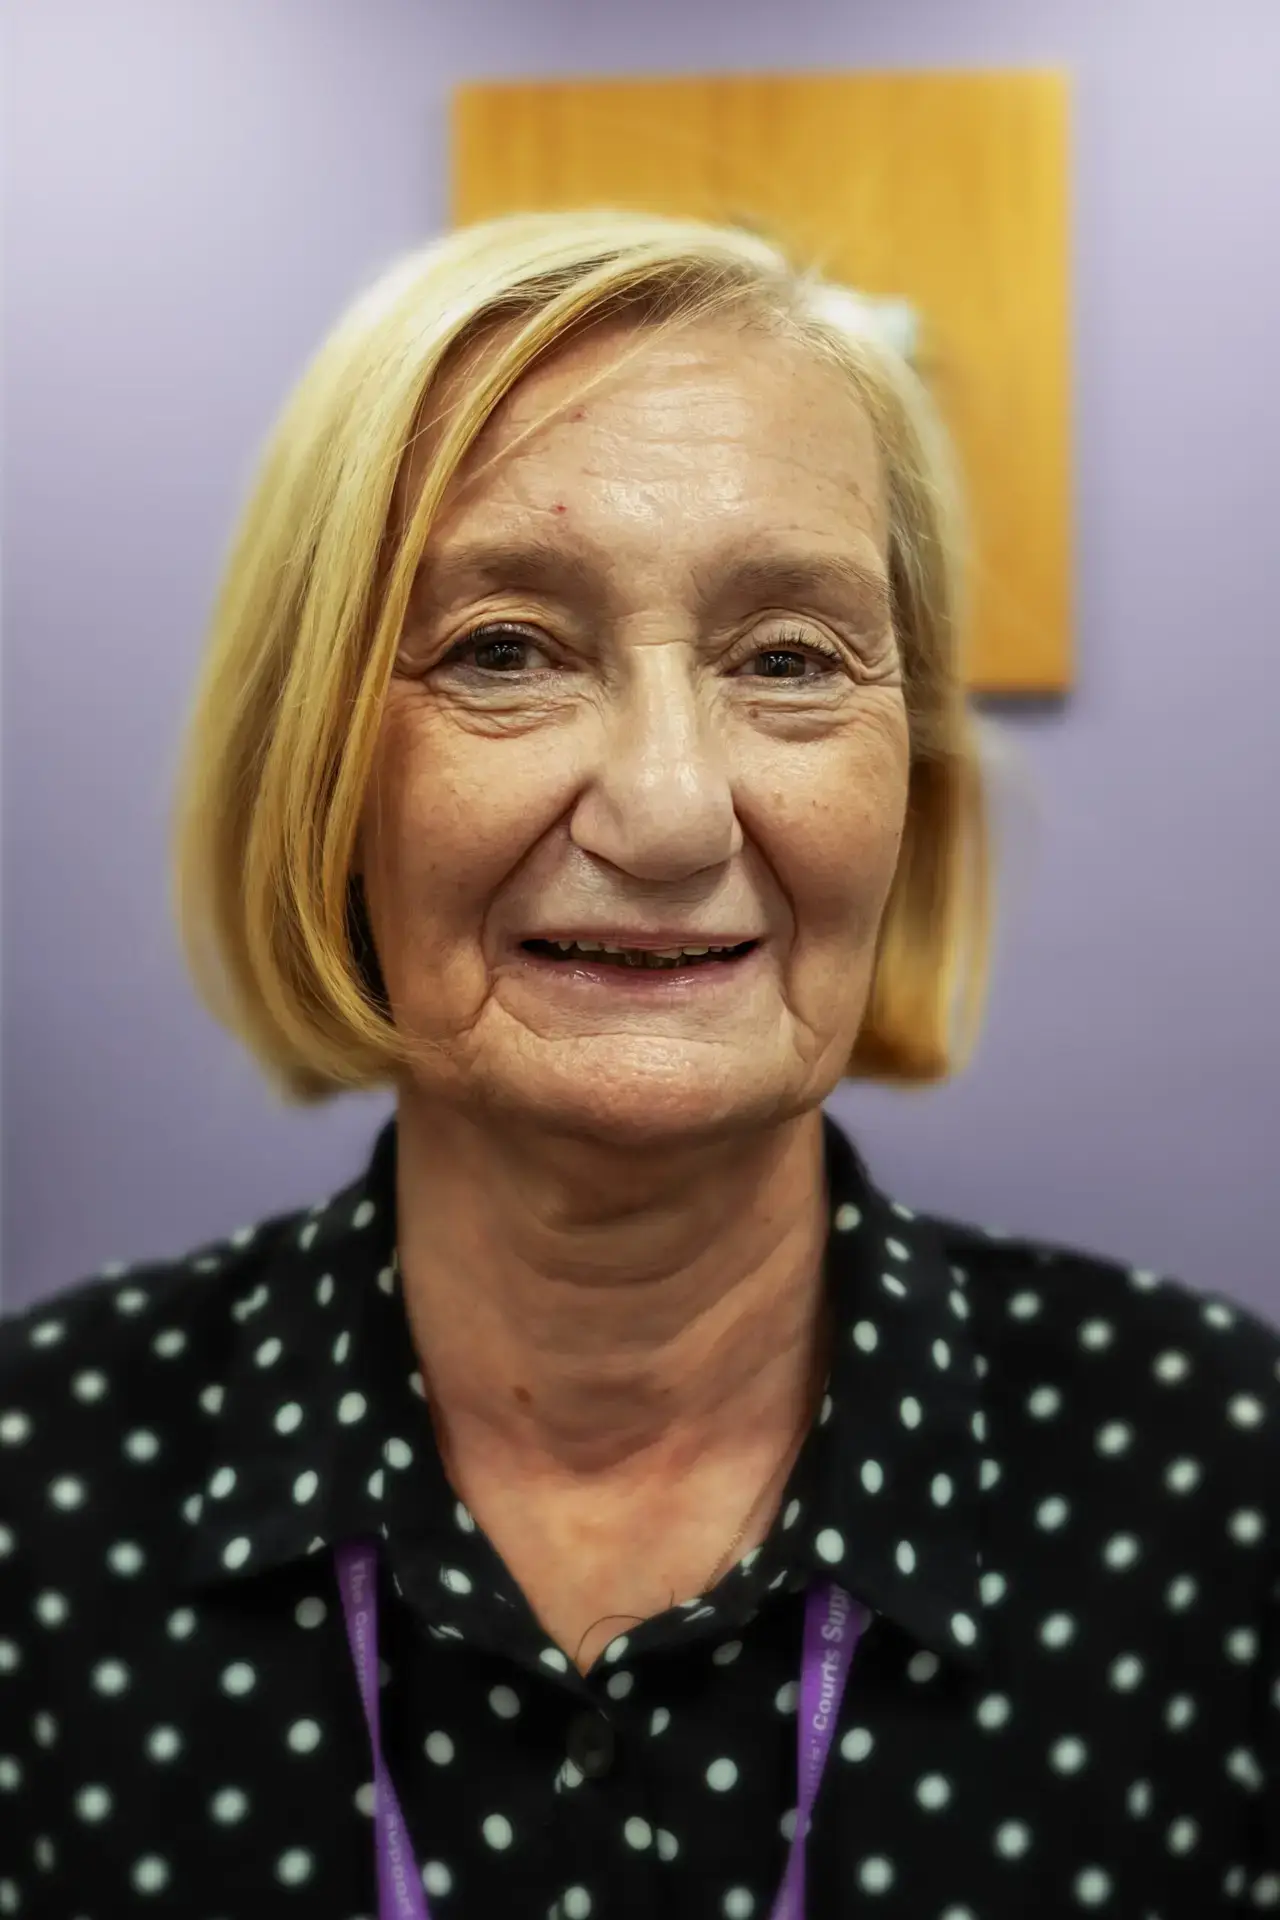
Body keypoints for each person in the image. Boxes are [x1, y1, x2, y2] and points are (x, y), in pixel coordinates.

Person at [0, 208, 1275, 1920]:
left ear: (911, 778)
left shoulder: (1225, 1486)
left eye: (788, 660)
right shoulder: (37, 1493)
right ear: (318, 771)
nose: (672, 813)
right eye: (506, 650)